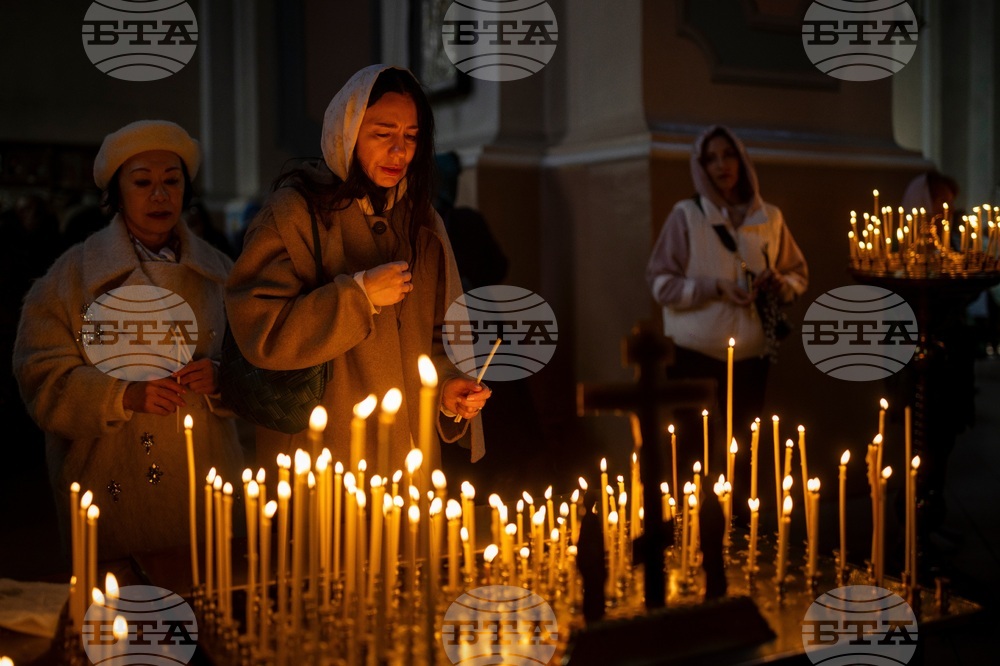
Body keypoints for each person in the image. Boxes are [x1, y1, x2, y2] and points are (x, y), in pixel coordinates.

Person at [225, 65, 489, 476]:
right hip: (323, 459)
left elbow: (437, 338)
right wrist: (358, 295)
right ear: (346, 132)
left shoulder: (421, 223)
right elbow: (261, 329)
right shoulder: (293, 213)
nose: (399, 151)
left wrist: (448, 387)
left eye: (411, 136)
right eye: (383, 134)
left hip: (406, 460)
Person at [12, 120, 244, 561]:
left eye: (171, 182)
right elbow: (40, 374)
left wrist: (222, 377)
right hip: (113, 485)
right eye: (142, 182)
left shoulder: (219, 273)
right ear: (117, 194)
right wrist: (121, 395)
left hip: (205, 477)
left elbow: (254, 362)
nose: (160, 195)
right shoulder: (74, 276)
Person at [646, 125, 808, 480]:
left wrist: (780, 284)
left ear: (742, 159)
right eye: (711, 158)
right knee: (692, 448)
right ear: (700, 167)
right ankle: (690, 527)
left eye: (728, 155)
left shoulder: (769, 218)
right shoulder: (686, 216)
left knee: (744, 447)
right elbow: (660, 284)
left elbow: (798, 275)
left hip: (751, 355)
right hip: (696, 352)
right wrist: (713, 288)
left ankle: (739, 524)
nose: (722, 165)